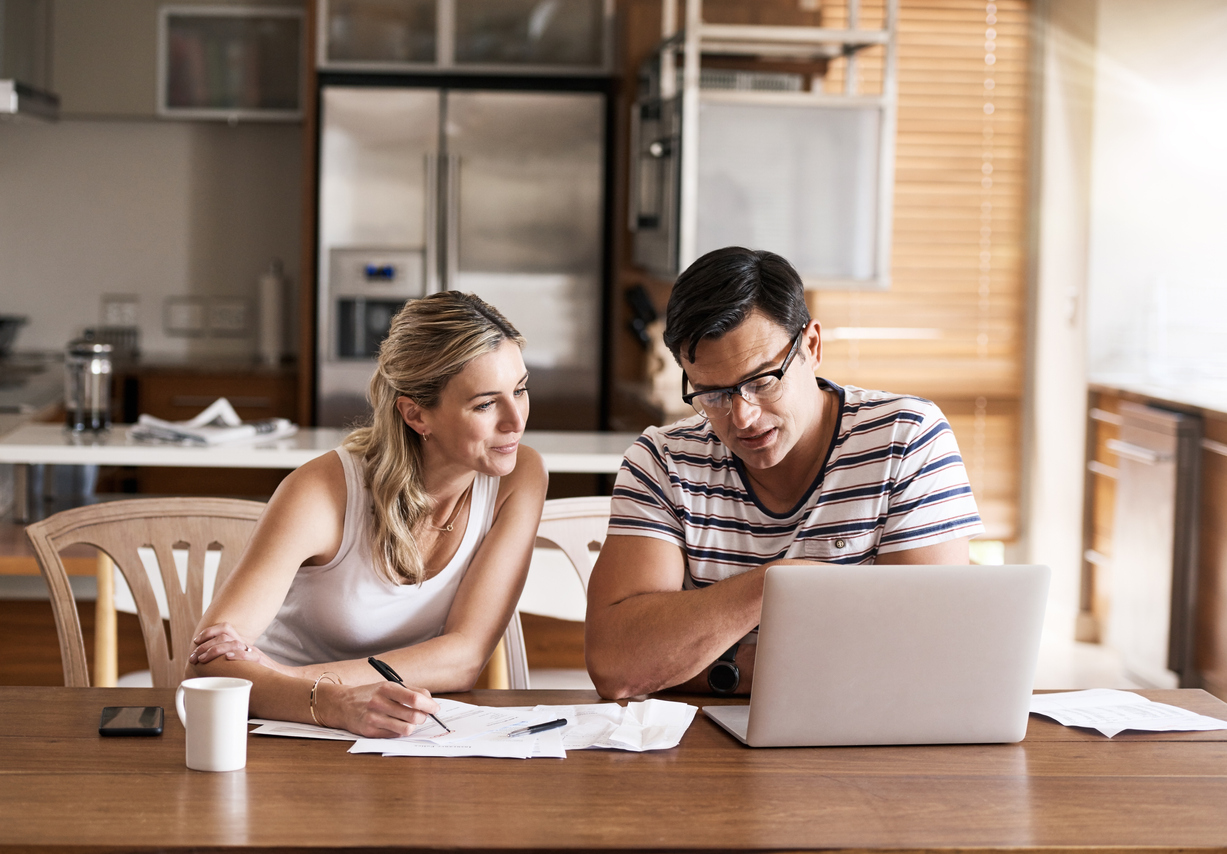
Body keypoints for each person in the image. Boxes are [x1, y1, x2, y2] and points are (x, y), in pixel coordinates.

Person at [585, 247, 984, 699]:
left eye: (761, 381)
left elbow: (929, 659)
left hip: (870, 748)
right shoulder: (662, 459)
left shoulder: (907, 438)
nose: (742, 417)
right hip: (701, 756)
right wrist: (778, 583)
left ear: (812, 346)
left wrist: (719, 663)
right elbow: (617, 666)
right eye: (712, 394)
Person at [187, 292, 548, 737]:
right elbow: (207, 671)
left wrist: (290, 679)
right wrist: (332, 703)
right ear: (416, 414)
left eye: (521, 389)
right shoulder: (322, 492)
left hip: (392, 730)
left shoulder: (520, 476)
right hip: (276, 728)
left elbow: (464, 658)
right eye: (486, 404)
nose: (516, 420)